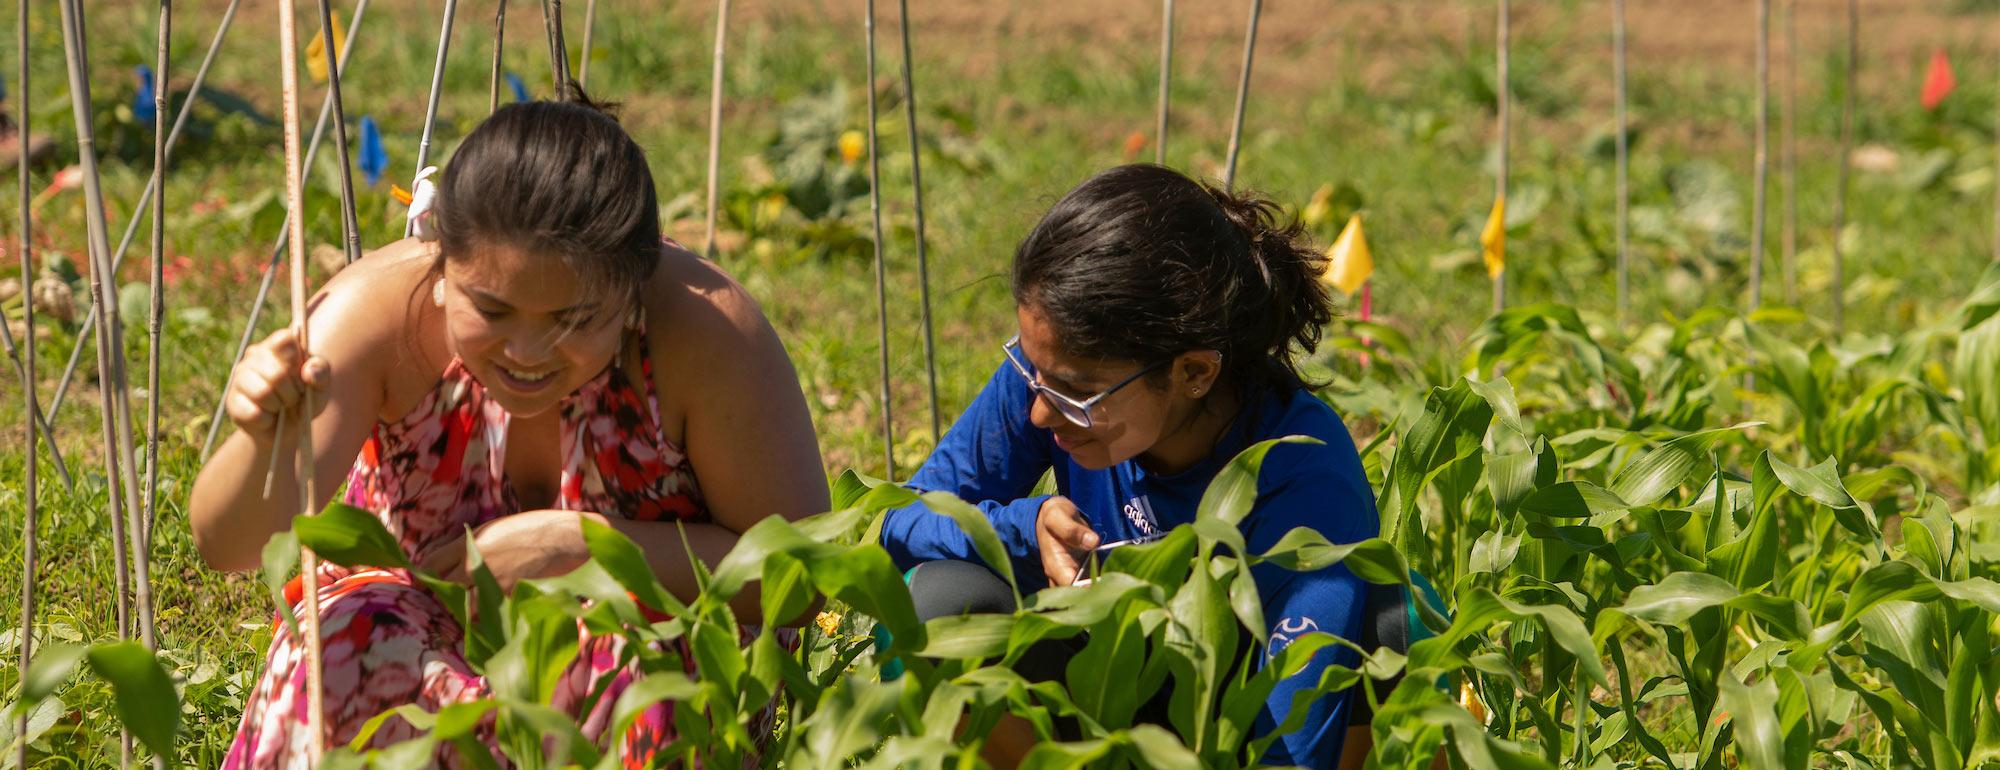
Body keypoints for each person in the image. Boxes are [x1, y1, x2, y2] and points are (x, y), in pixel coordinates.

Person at [187, 91, 829, 767]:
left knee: (631, 663)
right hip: (418, 632)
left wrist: (579, 547)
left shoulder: (707, 334)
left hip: (647, 635)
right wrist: (262, 436)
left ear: (633, 290)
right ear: (439, 267)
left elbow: (800, 577)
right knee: (340, 647)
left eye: (573, 321)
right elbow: (230, 547)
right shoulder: (375, 316)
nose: (526, 353)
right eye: (491, 309)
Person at [878, 163, 1377, 768]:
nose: (1038, 412)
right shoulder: (1052, 382)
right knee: (940, 599)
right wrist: (1018, 529)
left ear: (1194, 373)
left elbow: (1291, 743)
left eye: (1074, 390)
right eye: (1031, 370)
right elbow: (895, 519)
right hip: (1098, 703)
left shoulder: (1303, 471)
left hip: (1227, 735)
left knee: (1398, 621)